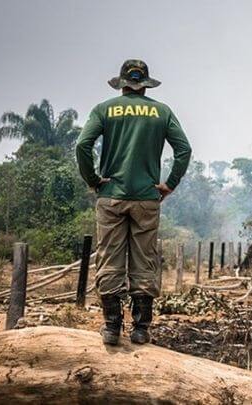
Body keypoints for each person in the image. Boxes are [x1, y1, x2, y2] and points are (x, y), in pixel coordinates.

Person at [76, 59, 192, 345]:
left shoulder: (104, 109)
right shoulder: (161, 111)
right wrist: (169, 184)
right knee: (145, 259)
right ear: (145, 85)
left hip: (111, 197)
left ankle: (112, 328)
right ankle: (141, 329)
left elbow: (82, 145)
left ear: (122, 83)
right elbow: (184, 149)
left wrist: (93, 180)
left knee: (109, 258)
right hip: (146, 199)